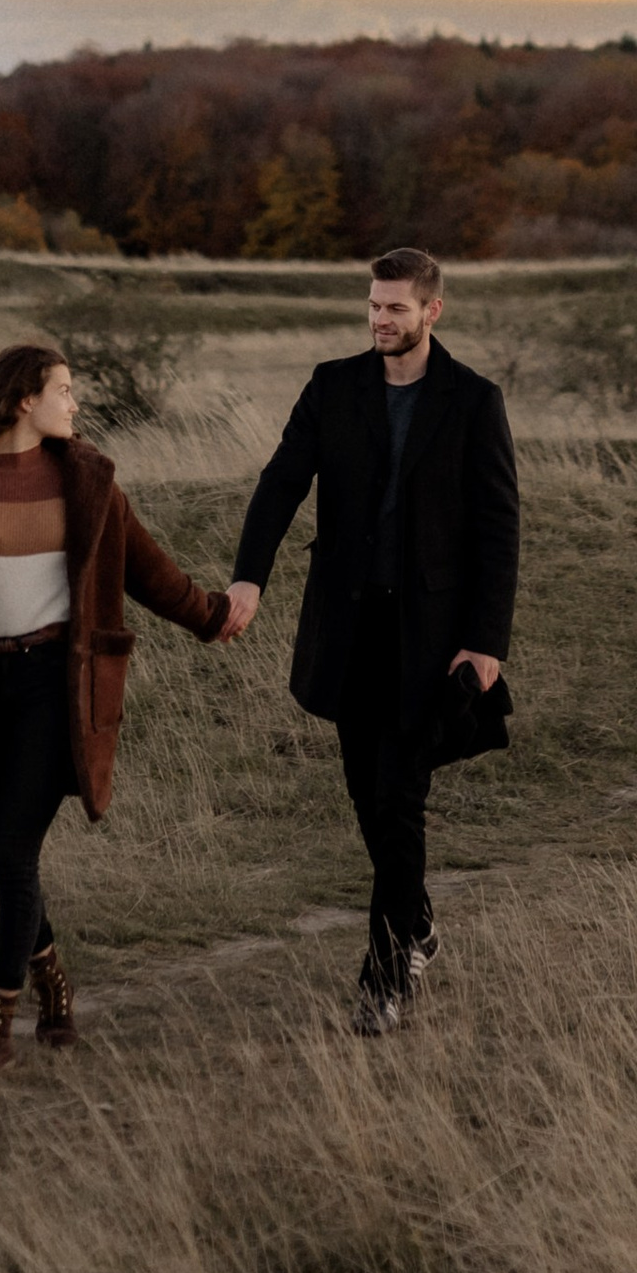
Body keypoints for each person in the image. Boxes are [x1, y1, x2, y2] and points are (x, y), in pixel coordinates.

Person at [0, 338, 245, 1077]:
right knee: (5, 848)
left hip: (59, 691)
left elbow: (149, 571)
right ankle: (53, 986)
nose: (75, 404)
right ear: (25, 400)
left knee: (17, 851)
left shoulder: (90, 482)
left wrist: (213, 616)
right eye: (64, 390)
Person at [230, 247, 518, 1035]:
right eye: (373, 305)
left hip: (428, 642)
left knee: (399, 802)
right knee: (367, 794)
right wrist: (249, 577)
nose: (380, 319)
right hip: (349, 631)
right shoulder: (333, 387)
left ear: (432, 312)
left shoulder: (472, 402)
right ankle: (419, 921)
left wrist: (485, 641)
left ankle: (386, 978)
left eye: (396, 308)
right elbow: (282, 480)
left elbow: (499, 531)